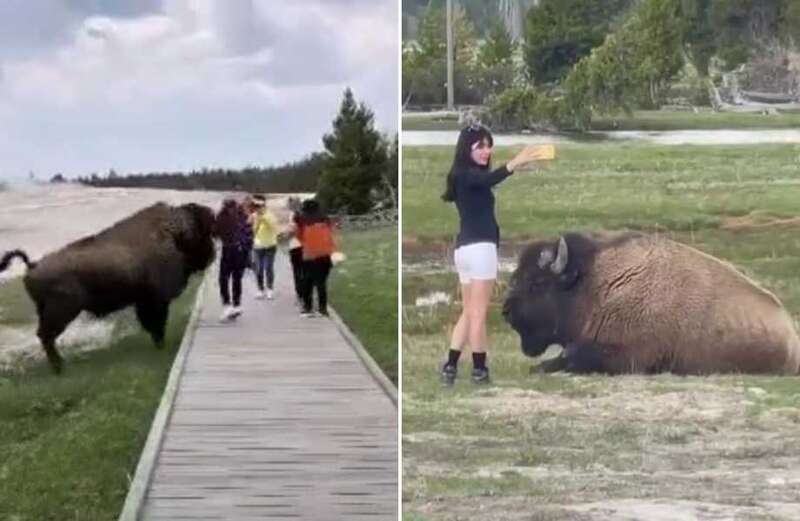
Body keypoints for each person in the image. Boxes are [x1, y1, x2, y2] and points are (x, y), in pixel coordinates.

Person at [440, 124, 554, 385]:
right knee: (478, 315)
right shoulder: (466, 175)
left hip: (465, 251)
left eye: (488, 145)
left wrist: (515, 166)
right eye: (479, 146)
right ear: (466, 148)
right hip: (480, 251)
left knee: (469, 312)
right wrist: (516, 162)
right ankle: (480, 371)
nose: (486, 151)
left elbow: (487, 179)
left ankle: (450, 366)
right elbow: (488, 179)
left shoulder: (462, 175)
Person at [295, 199, 336, 317]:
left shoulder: (301, 219)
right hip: (324, 254)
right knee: (321, 282)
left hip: (309, 254)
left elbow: (299, 236)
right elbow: (330, 235)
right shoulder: (325, 218)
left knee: (307, 281)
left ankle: (308, 308)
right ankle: (323, 309)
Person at [214, 198, 252, 321]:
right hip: (241, 251)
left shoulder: (222, 217)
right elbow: (249, 234)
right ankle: (237, 304)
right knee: (237, 278)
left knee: (223, 278)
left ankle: (227, 305)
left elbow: (215, 233)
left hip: (228, 249)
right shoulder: (242, 217)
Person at [250, 195, 279, 300]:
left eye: (259, 206)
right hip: (258, 246)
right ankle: (260, 289)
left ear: (264, 205)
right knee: (259, 269)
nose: (257, 208)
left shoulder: (270, 215)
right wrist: (256, 220)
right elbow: (253, 230)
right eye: (256, 206)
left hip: (270, 245)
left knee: (268, 268)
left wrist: (263, 217)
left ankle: (270, 289)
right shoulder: (254, 216)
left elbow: (274, 227)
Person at [286, 197, 305, 305]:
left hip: (295, 247)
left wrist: (287, 234)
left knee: (297, 271)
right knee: (304, 270)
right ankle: (305, 292)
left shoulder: (293, 218)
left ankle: (300, 294)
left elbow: (289, 233)